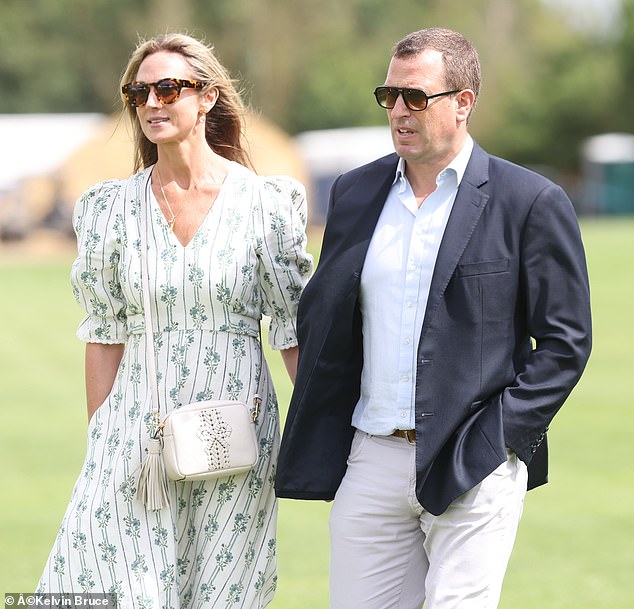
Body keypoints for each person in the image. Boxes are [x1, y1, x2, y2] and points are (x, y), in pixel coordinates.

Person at [275, 27, 592, 609]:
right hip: (370, 458)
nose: (398, 110)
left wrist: (497, 440)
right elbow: (331, 319)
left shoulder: (530, 202)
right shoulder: (355, 192)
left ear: (463, 103)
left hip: (473, 457)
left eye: (415, 97)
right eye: (388, 95)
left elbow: (565, 344)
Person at [37, 33, 313, 609]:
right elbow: (105, 333)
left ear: (206, 97)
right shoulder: (109, 208)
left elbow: (291, 331)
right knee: (95, 587)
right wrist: (100, 439)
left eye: (168, 88)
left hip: (235, 433)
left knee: (222, 593)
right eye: (139, 92)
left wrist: (326, 430)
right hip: (132, 436)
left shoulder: (266, 206)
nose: (151, 104)